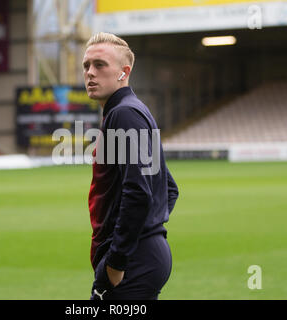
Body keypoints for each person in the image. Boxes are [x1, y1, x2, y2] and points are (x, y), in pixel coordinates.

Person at [83, 32, 180, 300]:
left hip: (131, 260)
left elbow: (138, 191)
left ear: (123, 72)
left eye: (100, 65)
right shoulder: (129, 110)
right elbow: (169, 188)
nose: (90, 73)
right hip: (142, 254)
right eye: (86, 65)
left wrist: (118, 260)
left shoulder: (124, 113)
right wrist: (150, 232)